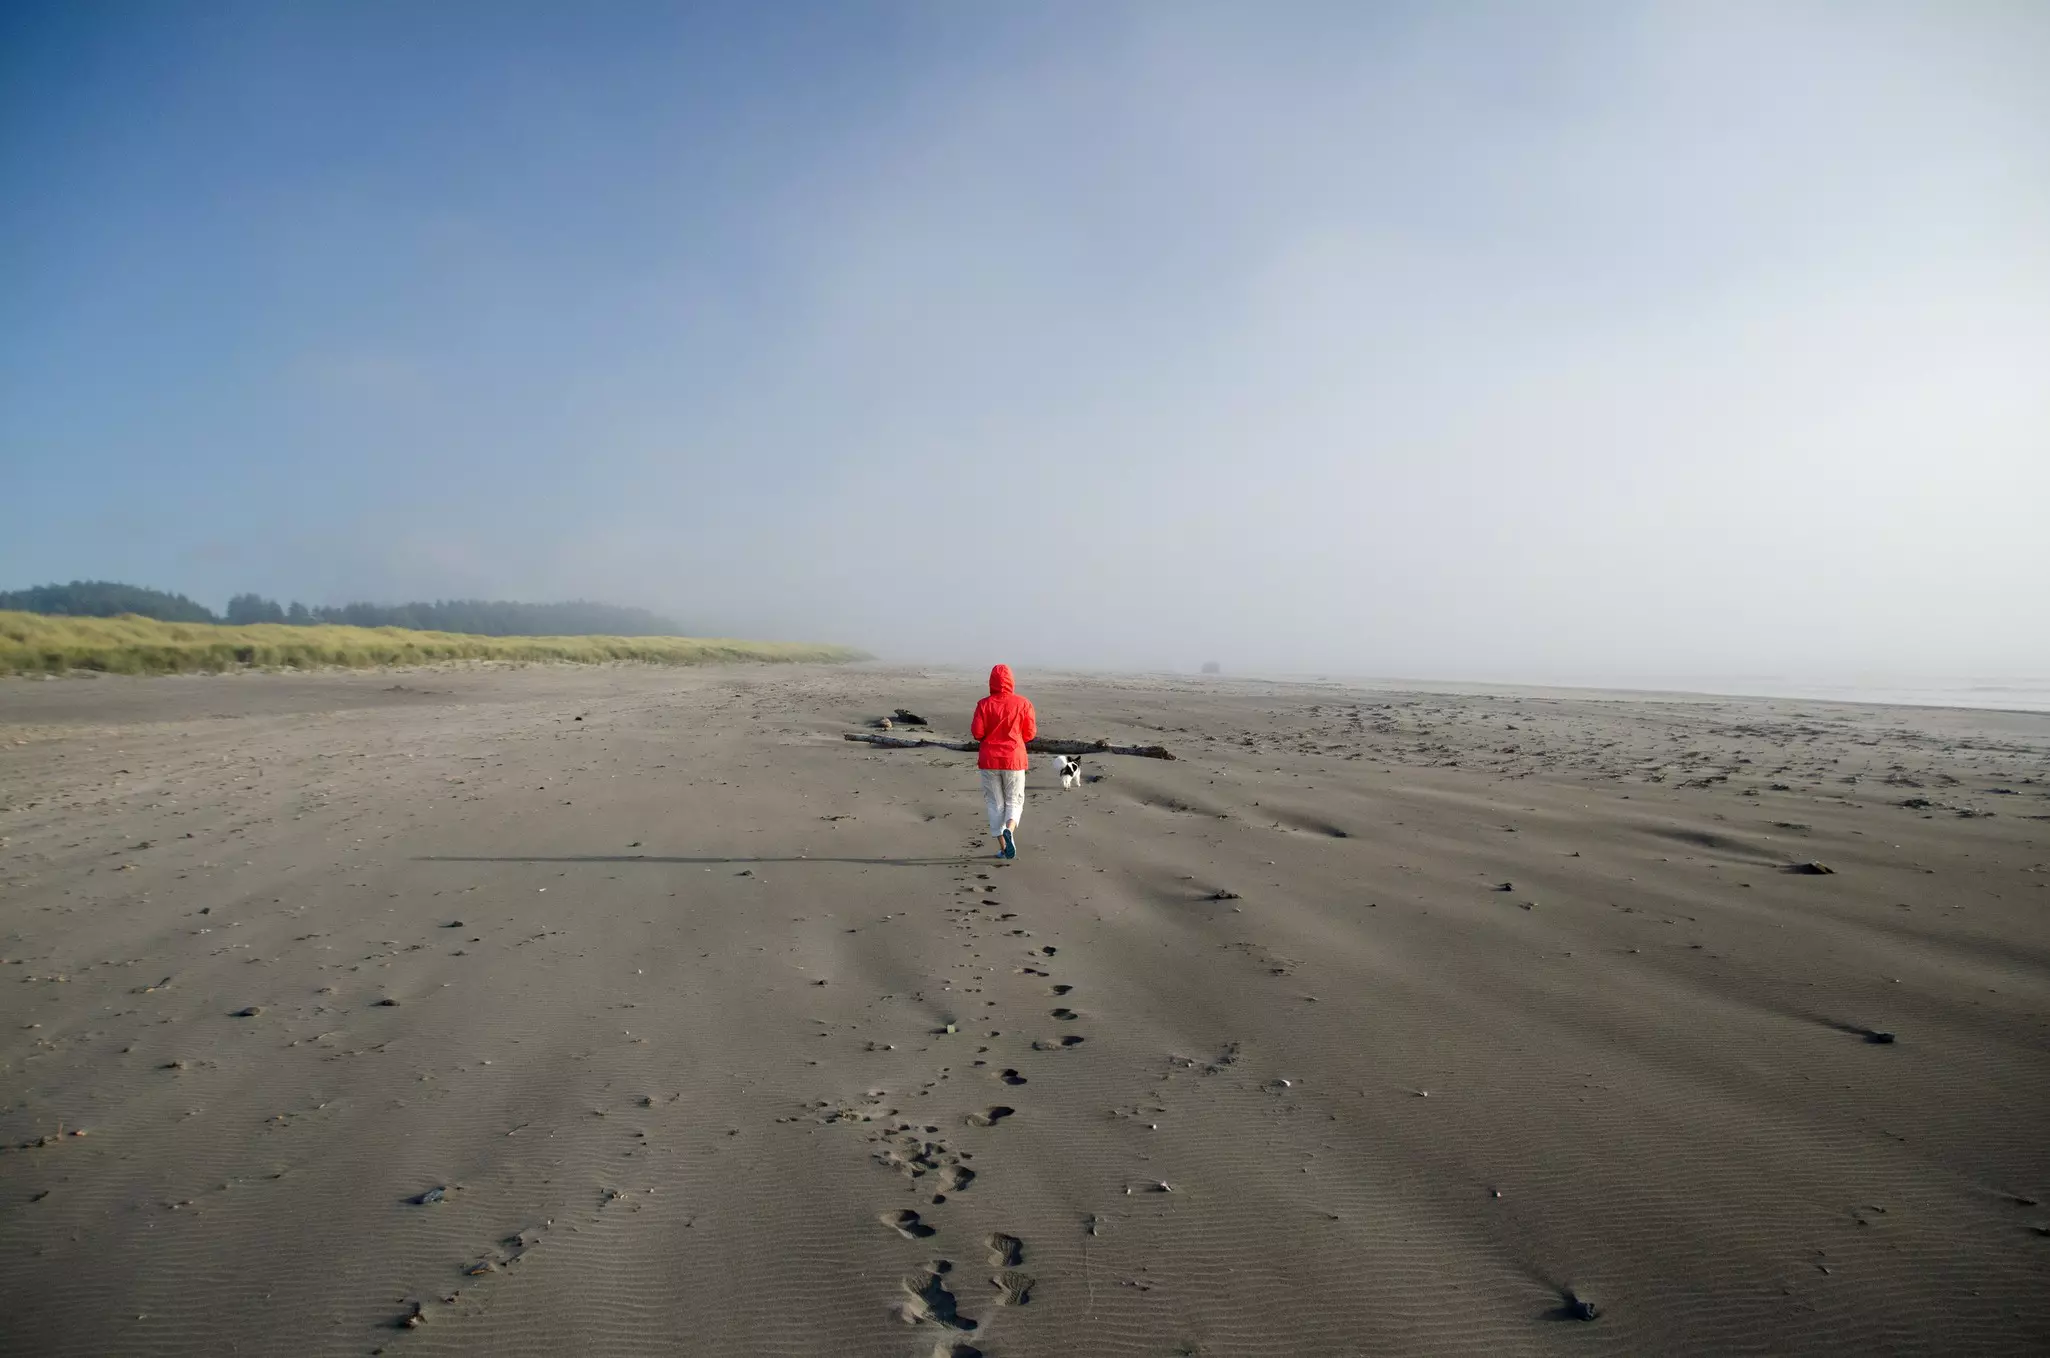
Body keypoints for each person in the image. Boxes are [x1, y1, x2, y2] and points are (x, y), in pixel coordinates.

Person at [971, 663, 1037, 859]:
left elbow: (977, 732)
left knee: (994, 803)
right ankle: (1010, 829)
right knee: (1014, 800)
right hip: (1014, 758)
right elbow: (1030, 733)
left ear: (991, 682)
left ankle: (1003, 846)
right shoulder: (1023, 703)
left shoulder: (984, 704)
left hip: (989, 759)